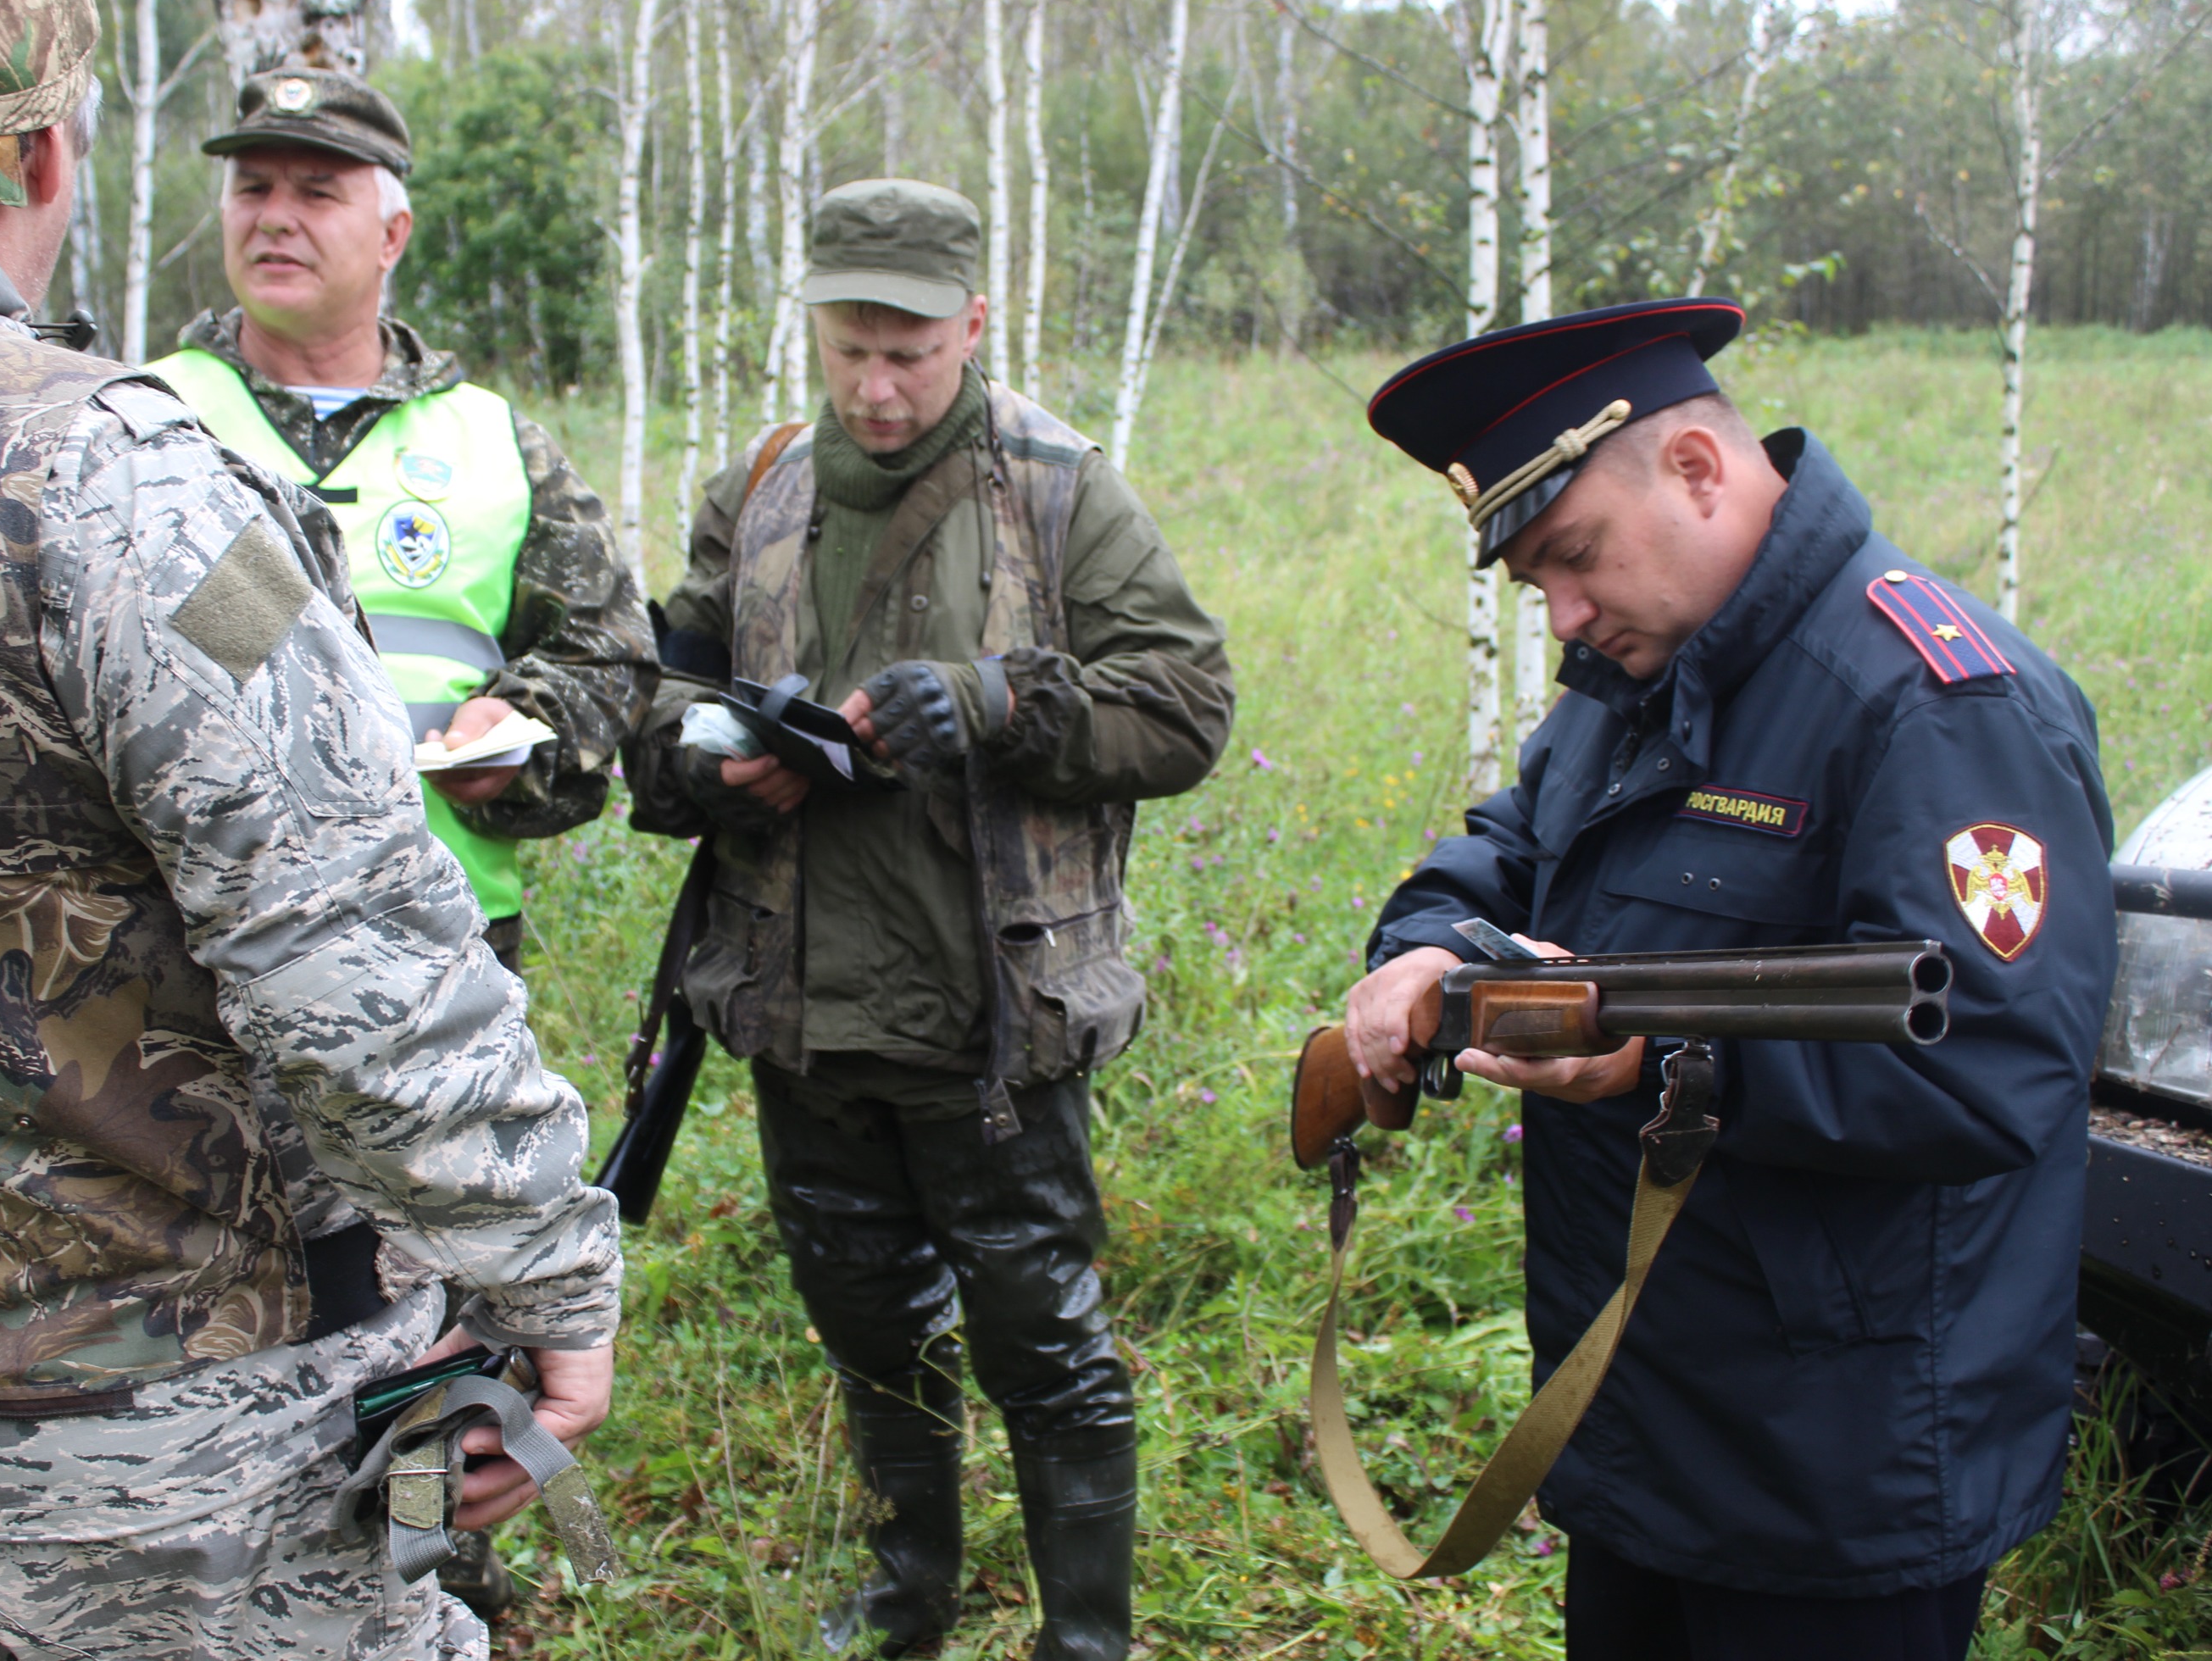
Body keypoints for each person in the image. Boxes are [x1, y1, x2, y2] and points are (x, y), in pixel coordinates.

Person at [0, 0, 618, 1655]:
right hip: (188, 1460)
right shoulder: (118, 477)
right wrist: (548, 1275)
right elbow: (341, 934)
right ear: (44, 157)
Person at [1341, 298, 2115, 1660]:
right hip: (1639, 1414)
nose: (1565, 613)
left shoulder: (1936, 702)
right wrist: (1429, 949)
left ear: (1697, 469)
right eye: (1537, 584)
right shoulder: (1638, 671)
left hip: (1839, 1472)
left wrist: (1660, 1064)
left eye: (1575, 558)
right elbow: (1510, 851)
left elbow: (1993, 1069)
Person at [623, 178, 1233, 1661]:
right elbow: (656, 689)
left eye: (911, 351)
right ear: (816, 329)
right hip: (803, 1011)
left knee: (1046, 1348)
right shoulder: (760, 485)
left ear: (975, 323)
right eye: (850, 349)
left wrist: (995, 699)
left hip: (991, 1027)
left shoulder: (1058, 487)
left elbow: (1188, 706)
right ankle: (906, 1604)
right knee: (871, 1333)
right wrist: (714, 752)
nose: (878, 387)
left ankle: (1085, 1640)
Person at [147, 65, 654, 981]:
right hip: (191, 944)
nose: (274, 216)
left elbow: (612, 655)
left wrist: (519, 730)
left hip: (440, 934)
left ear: (393, 235)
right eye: (252, 187)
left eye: (316, 192)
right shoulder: (142, 417)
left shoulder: (494, 439)